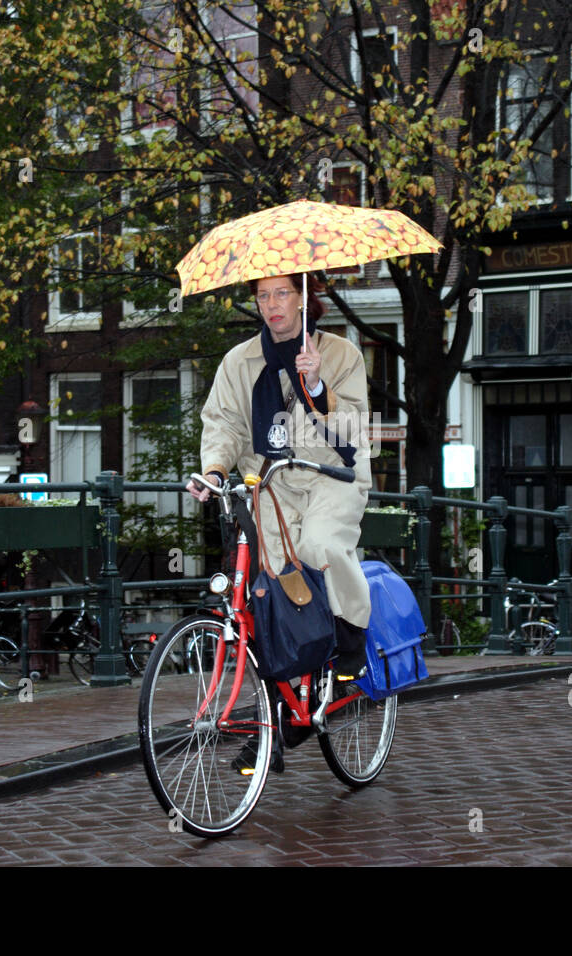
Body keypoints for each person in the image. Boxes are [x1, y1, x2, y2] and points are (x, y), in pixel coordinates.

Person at [186, 272, 373, 773]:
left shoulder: (340, 355)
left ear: (304, 298)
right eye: (263, 295)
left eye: (283, 293)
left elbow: (354, 432)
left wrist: (316, 385)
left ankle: (351, 640)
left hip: (331, 475)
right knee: (264, 592)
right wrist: (213, 470)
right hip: (270, 483)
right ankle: (279, 722)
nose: (272, 304)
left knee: (317, 544)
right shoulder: (239, 362)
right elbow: (222, 424)